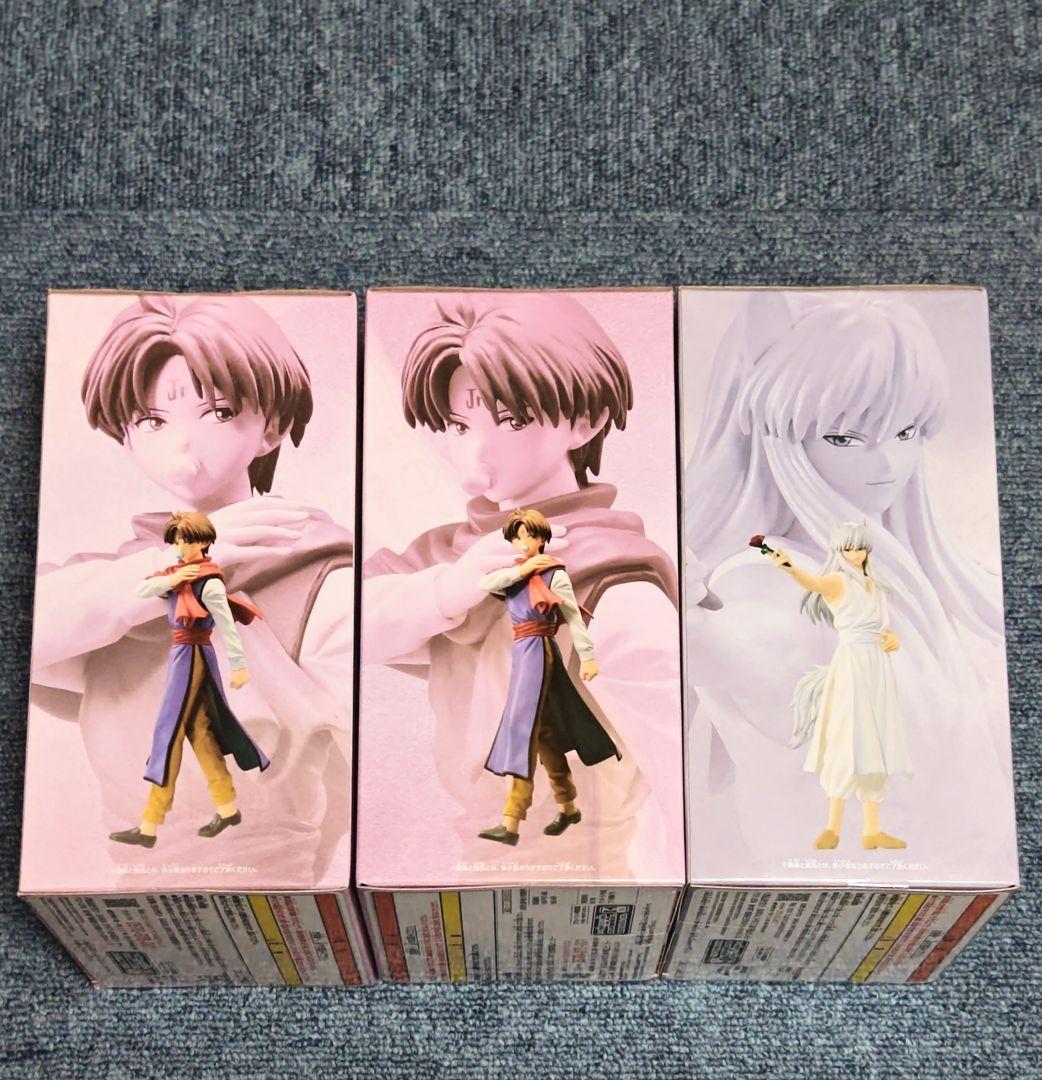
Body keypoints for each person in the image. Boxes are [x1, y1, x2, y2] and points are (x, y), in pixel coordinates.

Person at [362, 293, 691, 876]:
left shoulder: (612, 577)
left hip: (587, 866)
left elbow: (678, 761)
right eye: (459, 425)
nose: (475, 454)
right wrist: (453, 588)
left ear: (584, 421)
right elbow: (358, 631)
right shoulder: (445, 559)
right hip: (477, 856)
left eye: (511, 420)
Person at [30, 294, 354, 881]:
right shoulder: (114, 579)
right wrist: (177, 566)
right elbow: (33, 636)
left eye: (219, 413)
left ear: (272, 427)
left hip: (275, 871)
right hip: (141, 877)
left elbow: (351, 761)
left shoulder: (317, 570)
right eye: (152, 421)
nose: (182, 445)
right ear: (125, 434)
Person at [683, 292, 1010, 863]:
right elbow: (746, 654)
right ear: (778, 438)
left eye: (906, 432)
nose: (887, 464)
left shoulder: (906, 564)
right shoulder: (759, 583)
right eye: (843, 438)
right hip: (845, 863)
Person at [109, 511, 267, 847]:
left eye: (187, 540)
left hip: (193, 653)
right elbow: (142, 589)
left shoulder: (209, 581)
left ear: (204, 542)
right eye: (178, 540)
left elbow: (226, 624)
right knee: (200, 732)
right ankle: (227, 807)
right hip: (181, 654)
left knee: (170, 732)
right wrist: (176, 577)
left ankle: (150, 824)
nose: (181, 546)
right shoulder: (177, 575)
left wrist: (239, 664)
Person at [763, 523, 910, 850]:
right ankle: (832, 827)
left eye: (861, 548)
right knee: (848, 738)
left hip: (878, 666)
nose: (856, 555)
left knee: (876, 741)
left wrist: (891, 637)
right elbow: (812, 582)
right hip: (852, 665)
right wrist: (789, 567)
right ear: (839, 551)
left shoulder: (874, 585)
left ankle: (872, 830)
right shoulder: (838, 581)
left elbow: (880, 627)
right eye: (849, 549)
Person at [476, 509, 619, 846]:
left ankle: (511, 821)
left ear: (541, 538)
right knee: (544, 734)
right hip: (523, 652)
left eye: (527, 535)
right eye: (516, 537)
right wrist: (523, 570)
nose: (522, 542)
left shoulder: (555, 575)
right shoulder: (516, 575)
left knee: (522, 729)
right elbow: (484, 583)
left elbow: (573, 616)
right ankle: (569, 806)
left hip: (539, 650)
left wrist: (588, 656)